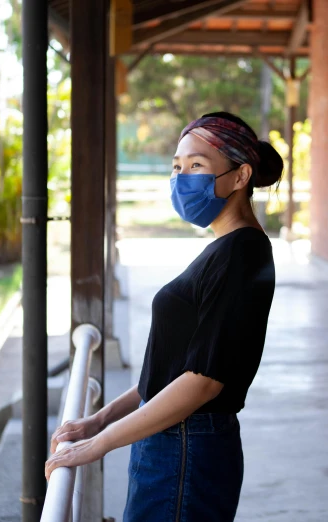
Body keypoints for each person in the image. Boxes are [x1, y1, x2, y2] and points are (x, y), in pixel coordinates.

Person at [45, 111, 283, 521]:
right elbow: (171, 372)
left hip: (186, 446)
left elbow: (203, 382)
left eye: (196, 165)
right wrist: (99, 420)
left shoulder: (241, 254)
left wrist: (99, 445)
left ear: (241, 176)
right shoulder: (225, 248)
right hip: (173, 440)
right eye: (177, 166)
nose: (181, 177)